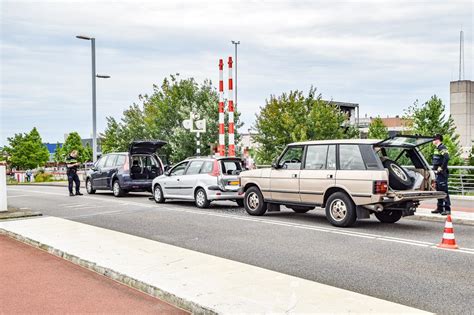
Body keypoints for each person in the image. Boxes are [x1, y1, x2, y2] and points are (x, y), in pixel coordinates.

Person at [431, 134, 450, 215]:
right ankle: (440, 208)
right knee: (439, 191)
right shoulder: (437, 148)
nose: (432, 141)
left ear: (437, 140)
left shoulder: (442, 147)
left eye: (433, 139)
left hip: (442, 173)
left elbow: (447, 157)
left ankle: (447, 209)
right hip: (437, 173)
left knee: (444, 191)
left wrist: (442, 168)